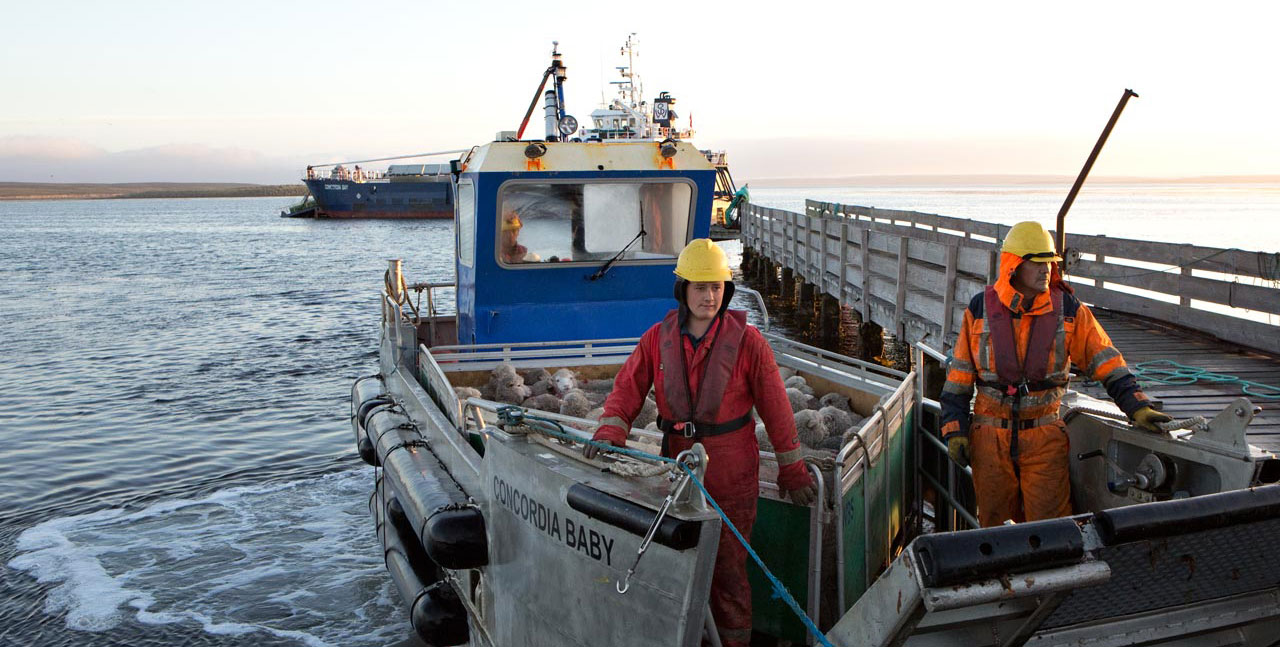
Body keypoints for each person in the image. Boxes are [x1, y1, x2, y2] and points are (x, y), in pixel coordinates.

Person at [583, 238, 817, 647]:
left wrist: (793, 471)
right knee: (673, 562)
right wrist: (610, 432)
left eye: (716, 287)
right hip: (675, 472)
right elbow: (627, 390)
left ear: (725, 291)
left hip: (732, 475)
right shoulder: (657, 338)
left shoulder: (750, 344)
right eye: (700, 287)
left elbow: (778, 410)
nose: (709, 296)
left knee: (728, 573)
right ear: (683, 290)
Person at [940, 221, 1171, 527]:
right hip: (989, 438)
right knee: (993, 526)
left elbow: (1106, 360)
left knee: (1050, 527)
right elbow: (957, 380)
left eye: (1049, 262)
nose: (1045, 270)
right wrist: (955, 431)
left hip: (1045, 437)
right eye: (1036, 263)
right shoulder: (980, 309)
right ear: (1014, 266)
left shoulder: (1070, 311)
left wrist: (1136, 405)